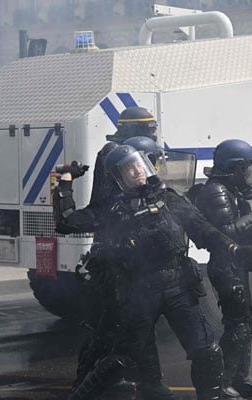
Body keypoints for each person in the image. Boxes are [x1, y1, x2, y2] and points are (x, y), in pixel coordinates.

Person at [54, 145, 252, 400]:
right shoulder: (110, 209)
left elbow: (204, 230)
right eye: (129, 168)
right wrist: (64, 180)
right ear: (118, 177)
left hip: (177, 285)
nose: (137, 171)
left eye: (138, 164)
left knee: (207, 351)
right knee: (132, 359)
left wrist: (234, 249)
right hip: (137, 292)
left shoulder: (169, 199)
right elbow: (66, 222)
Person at [72, 107, 173, 400]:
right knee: (108, 325)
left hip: (126, 248)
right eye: (149, 130)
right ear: (132, 130)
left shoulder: (118, 151)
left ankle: (148, 383)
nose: (153, 135)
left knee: (136, 321)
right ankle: (83, 384)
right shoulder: (115, 154)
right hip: (114, 249)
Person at [193, 139, 252, 398]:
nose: (249, 173)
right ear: (236, 167)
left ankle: (240, 377)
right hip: (225, 265)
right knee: (237, 326)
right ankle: (223, 382)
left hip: (238, 265)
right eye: (246, 167)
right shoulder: (216, 191)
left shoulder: (231, 190)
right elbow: (226, 232)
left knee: (245, 324)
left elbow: (243, 228)